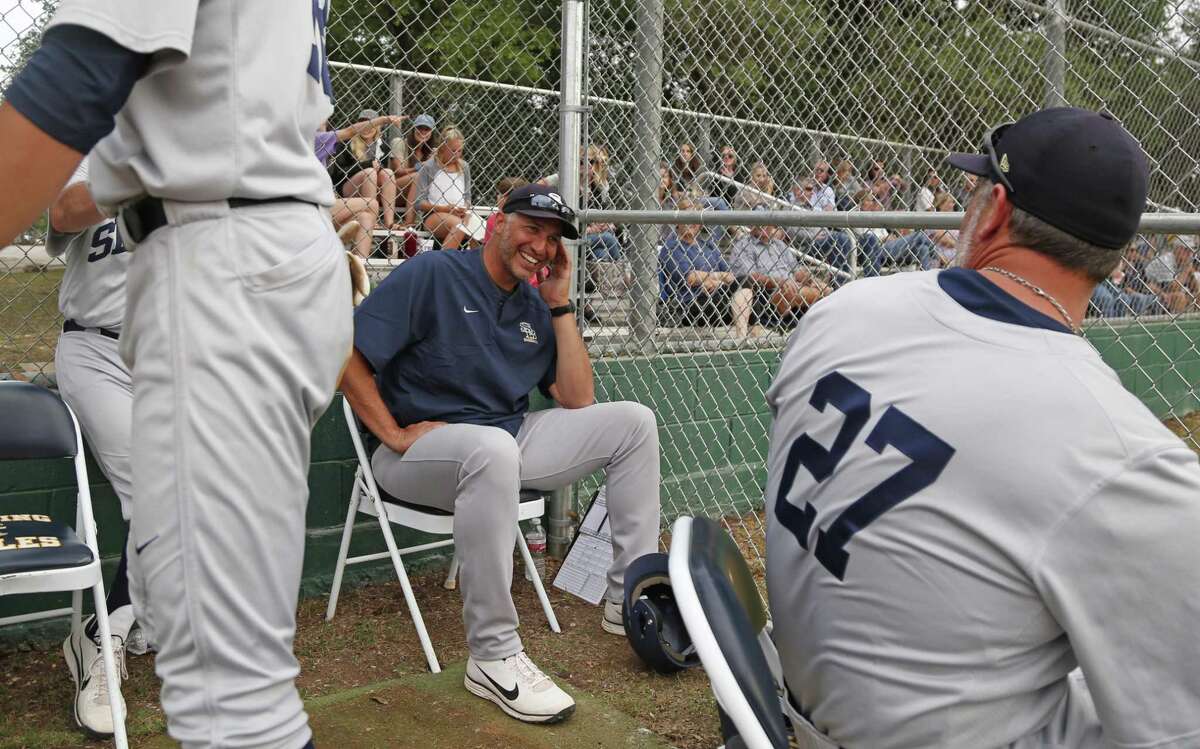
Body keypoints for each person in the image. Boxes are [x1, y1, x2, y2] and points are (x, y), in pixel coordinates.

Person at [764, 107, 1200, 748]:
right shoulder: (1123, 454)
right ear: (1113, 255)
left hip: (792, 699)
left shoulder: (845, 307)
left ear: (994, 210)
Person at [0, 3, 353, 748]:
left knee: (230, 693)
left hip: (224, 263)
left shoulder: (142, 117)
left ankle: (108, 630)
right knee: (235, 657)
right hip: (195, 295)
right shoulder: (161, 104)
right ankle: (118, 630)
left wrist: (132, 167)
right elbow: (62, 207)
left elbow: (71, 77)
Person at [340, 184, 661, 725]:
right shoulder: (434, 274)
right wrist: (393, 435)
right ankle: (492, 655)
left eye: (553, 237)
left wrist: (559, 302)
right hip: (415, 456)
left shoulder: (536, 305)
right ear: (497, 225)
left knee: (634, 422)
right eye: (532, 228)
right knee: (492, 449)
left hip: (504, 443)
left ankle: (630, 599)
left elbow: (578, 399)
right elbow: (346, 355)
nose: (541, 245)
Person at [47, 157, 151, 738]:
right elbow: (64, 213)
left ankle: (98, 632)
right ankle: (107, 647)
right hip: (96, 353)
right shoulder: (91, 149)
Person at [658, 202, 752, 335]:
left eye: (696, 218)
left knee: (746, 282)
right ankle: (743, 341)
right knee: (740, 299)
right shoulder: (671, 248)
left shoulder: (709, 246)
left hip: (719, 294)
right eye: (688, 217)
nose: (693, 222)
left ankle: (745, 341)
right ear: (677, 221)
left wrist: (714, 281)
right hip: (690, 303)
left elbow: (730, 276)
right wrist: (719, 277)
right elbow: (690, 277)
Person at [730, 216, 826, 329]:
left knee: (821, 286)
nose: (763, 225)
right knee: (789, 291)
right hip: (766, 293)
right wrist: (778, 282)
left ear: (773, 225)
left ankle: (813, 294)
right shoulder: (743, 246)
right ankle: (814, 296)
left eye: (766, 222)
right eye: (759, 221)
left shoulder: (779, 245)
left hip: (792, 286)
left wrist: (810, 279)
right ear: (751, 225)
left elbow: (796, 271)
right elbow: (748, 278)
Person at [331, 109, 402, 230]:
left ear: (377, 126)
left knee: (388, 173)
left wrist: (376, 168)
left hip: (372, 190)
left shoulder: (382, 146)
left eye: (371, 123)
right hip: (347, 187)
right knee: (370, 173)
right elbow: (338, 174)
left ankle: (389, 222)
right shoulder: (347, 143)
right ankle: (372, 220)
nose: (367, 127)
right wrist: (367, 165)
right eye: (363, 123)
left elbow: (381, 172)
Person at [414, 126, 474, 250]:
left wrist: (464, 208)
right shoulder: (430, 166)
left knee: (480, 229)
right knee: (459, 225)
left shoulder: (464, 167)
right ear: (443, 147)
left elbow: (467, 197)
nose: (457, 155)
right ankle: (444, 261)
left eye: (460, 151)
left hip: (459, 214)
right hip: (434, 214)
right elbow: (419, 202)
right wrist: (445, 208)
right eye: (453, 150)